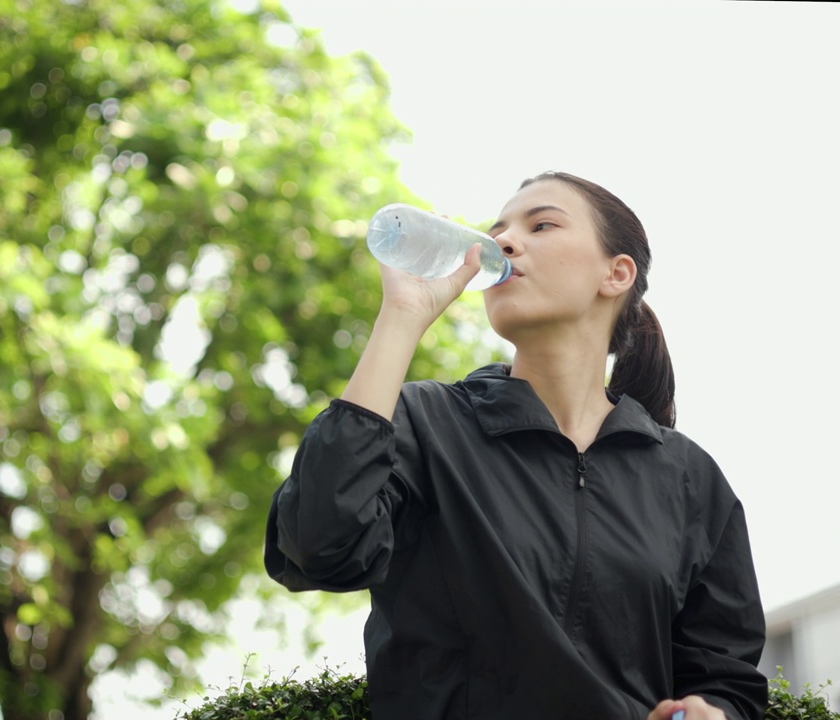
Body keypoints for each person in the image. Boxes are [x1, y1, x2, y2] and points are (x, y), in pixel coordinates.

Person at [264, 171, 767, 720]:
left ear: (616, 273)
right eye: (496, 229)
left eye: (542, 224)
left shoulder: (689, 477)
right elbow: (319, 545)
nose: (503, 241)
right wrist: (401, 319)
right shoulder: (425, 423)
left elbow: (727, 674)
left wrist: (713, 712)